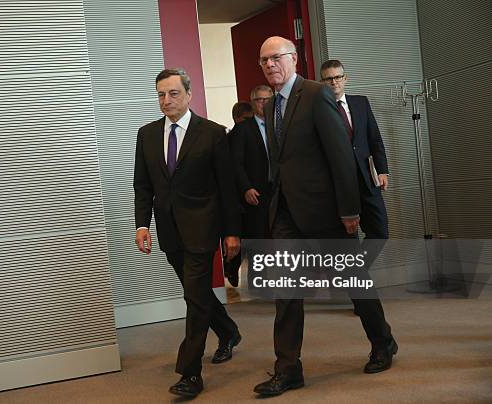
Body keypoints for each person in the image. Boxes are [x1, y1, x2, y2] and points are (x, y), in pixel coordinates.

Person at [253, 37, 397, 396]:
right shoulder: (270, 106)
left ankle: (383, 342)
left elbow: (341, 157)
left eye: (276, 57)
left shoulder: (317, 94)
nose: (270, 64)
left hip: (325, 213)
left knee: (354, 284)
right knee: (285, 291)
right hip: (285, 213)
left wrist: (350, 209)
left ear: (294, 59)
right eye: (263, 60)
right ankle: (288, 369)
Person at [133, 68, 243, 398]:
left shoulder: (212, 133)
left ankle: (191, 373)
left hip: (202, 229)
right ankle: (229, 331)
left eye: (173, 93)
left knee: (194, 300)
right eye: (161, 95)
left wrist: (231, 233)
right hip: (169, 231)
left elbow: (227, 188)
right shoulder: (147, 134)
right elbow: (143, 186)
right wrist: (142, 224)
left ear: (189, 94)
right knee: (196, 294)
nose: (166, 101)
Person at [320, 59, 389, 239]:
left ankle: (358, 268)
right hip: (338, 184)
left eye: (337, 77)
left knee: (380, 232)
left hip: (366, 178)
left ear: (345, 78)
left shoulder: (361, 103)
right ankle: (354, 266)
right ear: (322, 83)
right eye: (328, 79)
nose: (334, 82)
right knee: (347, 238)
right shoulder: (318, 110)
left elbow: (375, 138)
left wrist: (382, 171)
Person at [230, 85, 273, 238]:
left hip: (283, 192)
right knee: (260, 241)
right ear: (253, 103)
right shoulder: (243, 129)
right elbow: (236, 163)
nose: (264, 103)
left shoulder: (282, 125)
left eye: (268, 99)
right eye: (259, 100)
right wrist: (246, 187)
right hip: (257, 193)